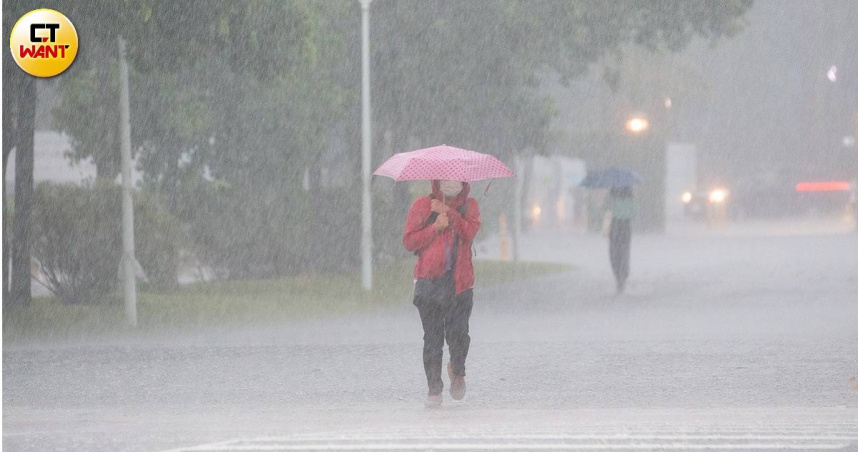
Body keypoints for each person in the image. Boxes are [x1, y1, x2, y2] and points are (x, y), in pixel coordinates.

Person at [403, 180, 481, 407]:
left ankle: (457, 370)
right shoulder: (421, 206)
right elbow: (409, 241)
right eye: (445, 179)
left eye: (455, 179)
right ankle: (434, 389)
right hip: (429, 283)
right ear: (436, 180)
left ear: (464, 181)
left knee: (458, 334)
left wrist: (449, 213)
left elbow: (469, 233)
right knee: (432, 338)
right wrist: (435, 227)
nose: (450, 183)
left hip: (460, 284)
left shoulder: (470, 207)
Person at [606, 186, 636, 294]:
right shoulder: (630, 200)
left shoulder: (612, 199)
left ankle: (619, 275)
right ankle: (622, 275)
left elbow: (606, 210)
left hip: (615, 228)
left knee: (614, 253)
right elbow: (633, 213)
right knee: (623, 253)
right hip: (625, 228)